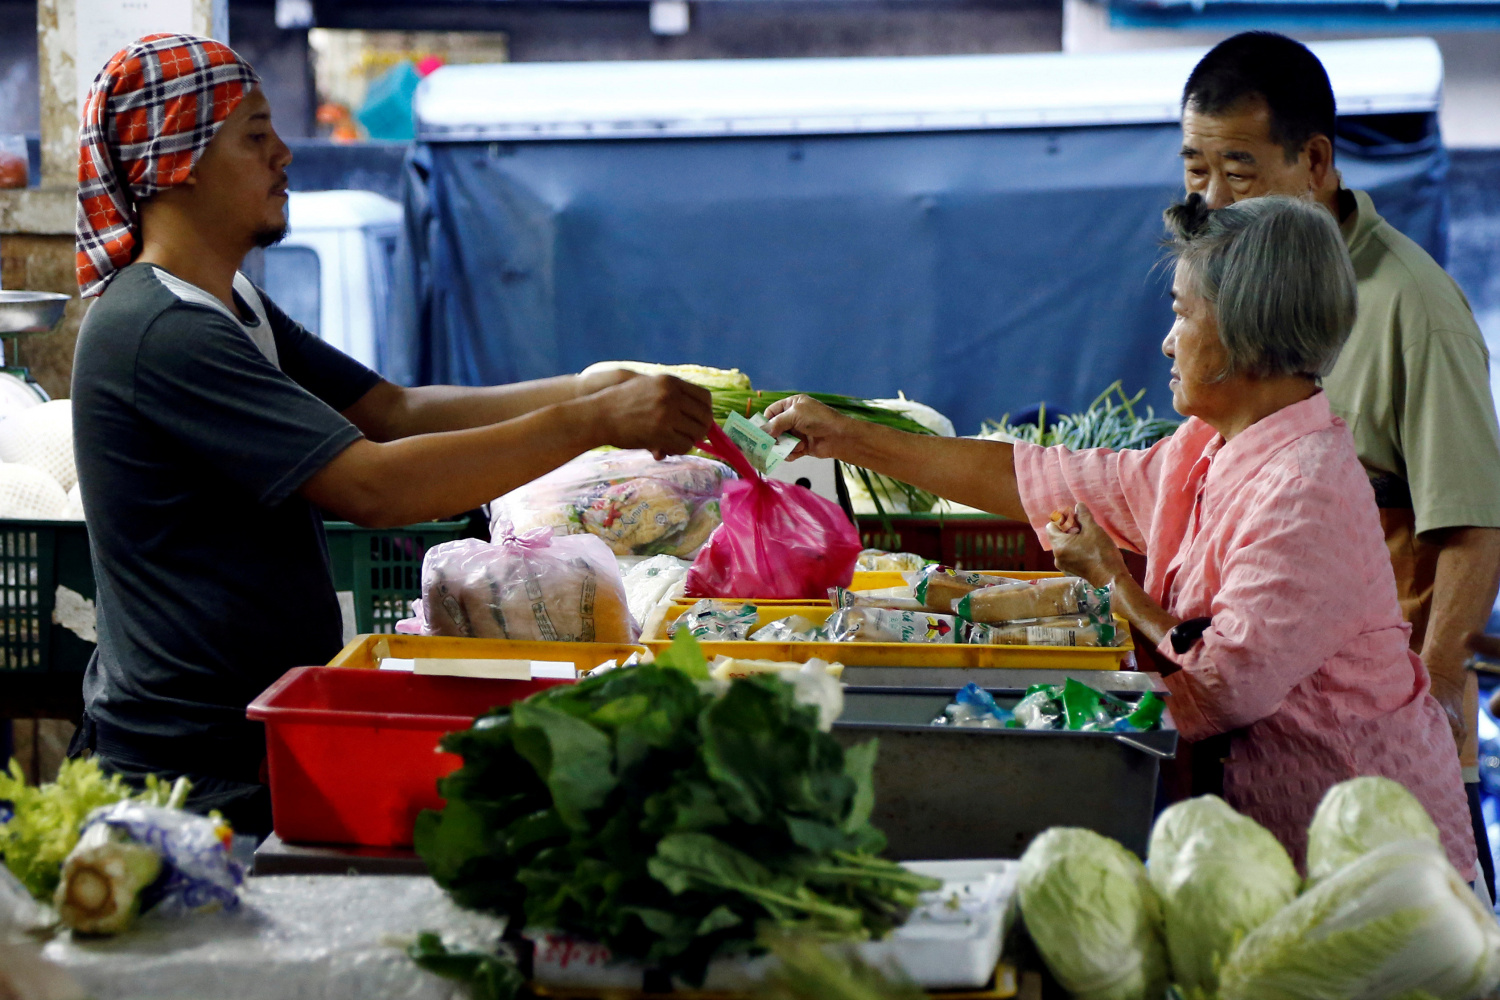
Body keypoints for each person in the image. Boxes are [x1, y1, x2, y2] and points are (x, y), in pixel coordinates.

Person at [69, 34, 713, 835]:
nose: (284, 156)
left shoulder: (227, 302)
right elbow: (374, 486)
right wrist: (589, 423)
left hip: (243, 738)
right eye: (256, 136)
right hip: (184, 771)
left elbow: (393, 410)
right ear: (182, 162)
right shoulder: (158, 330)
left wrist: (588, 386)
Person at [765, 195, 1476, 877]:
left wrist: (1114, 582)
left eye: (1181, 314)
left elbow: (1225, 683)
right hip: (1281, 834)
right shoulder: (1210, 447)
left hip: (1368, 851)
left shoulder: (1305, 489)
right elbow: (1040, 477)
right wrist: (849, 437)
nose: (1167, 340)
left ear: (1241, 334)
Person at [1176, 31, 1500, 895]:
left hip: (1385, 753)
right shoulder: (1230, 292)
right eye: (1193, 170)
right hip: (1280, 744)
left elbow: (1472, 529)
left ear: (1315, 160)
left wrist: (1427, 705)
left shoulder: (1409, 307)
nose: (1210, 200)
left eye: (1237, 172)